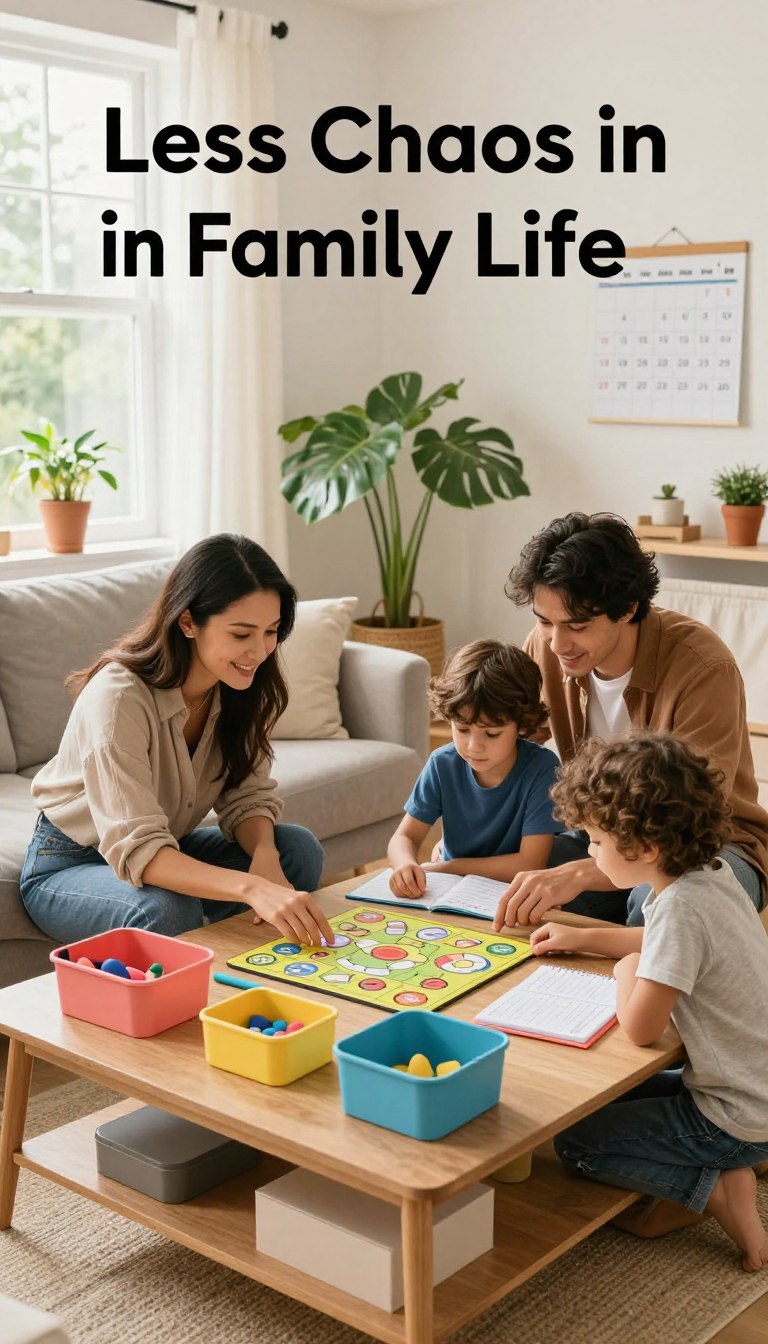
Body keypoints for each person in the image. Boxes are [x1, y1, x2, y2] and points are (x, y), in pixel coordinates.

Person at [527, 733, 768, 1272]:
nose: (587, 852)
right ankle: (728, 1171)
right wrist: (584, 938)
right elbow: (665, 945)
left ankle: (716, 1190)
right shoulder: (709, 875)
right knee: (595, 1101)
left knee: (576, 1143)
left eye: (593, 841)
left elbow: (640, 1027)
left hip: (734, 1117)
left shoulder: (680, 909)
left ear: (645, 848)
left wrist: (625, 972)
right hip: (754, 1092)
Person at [20, 534, 333, 947]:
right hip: (69, 863)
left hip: (167, 844)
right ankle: (199, 950)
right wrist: (250, 888)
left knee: (297, 849)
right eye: (241, 635)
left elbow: (248, 797)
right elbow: (139, 848)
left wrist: (265, 857)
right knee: (167, 908)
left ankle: (227, 952)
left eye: (271, 631)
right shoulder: (118, 698)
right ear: (188, 622)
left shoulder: (242, 684)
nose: (259, 651)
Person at [498, 511, 768, 928]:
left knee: (658, 906)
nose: (557, 643)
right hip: (600, 840)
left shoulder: (702, 666)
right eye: (544, 621)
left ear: (627, 609)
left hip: (707, 849)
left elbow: (686, 821)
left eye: (577, 626)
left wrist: (580, 874)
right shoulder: (549, 645)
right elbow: (511, 743)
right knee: (512, 884)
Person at [387, 639, 561, 898]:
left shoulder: (542, 769)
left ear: (522, 726)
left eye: (492, 734)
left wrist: (450, 867)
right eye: (463, 729)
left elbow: (530, 863)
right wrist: (405, 864)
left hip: (512, 890)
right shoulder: (442, 764)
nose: (473, 746)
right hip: (451, 888)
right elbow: (404, 837)